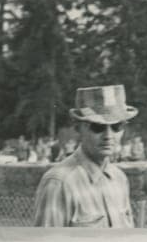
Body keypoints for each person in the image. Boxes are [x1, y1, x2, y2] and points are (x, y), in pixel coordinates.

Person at [33, 85, 136, 228]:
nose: (109, 136)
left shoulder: (119, 179)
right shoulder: (59, 183)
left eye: (116, 126)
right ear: (78, 128)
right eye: (97, 127)